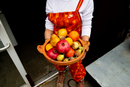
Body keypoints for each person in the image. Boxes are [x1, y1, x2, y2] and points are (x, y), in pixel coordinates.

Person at [44, 0, 94, 87]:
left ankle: (80, 79)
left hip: (74, 44)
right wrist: (47, 42)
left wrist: (85, 44)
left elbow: (86, 24)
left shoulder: (86, 1)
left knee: (76, 66)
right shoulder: (51, 1)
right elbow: (49, 26)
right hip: (57, 43)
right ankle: (61, 72)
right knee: (58, 61)